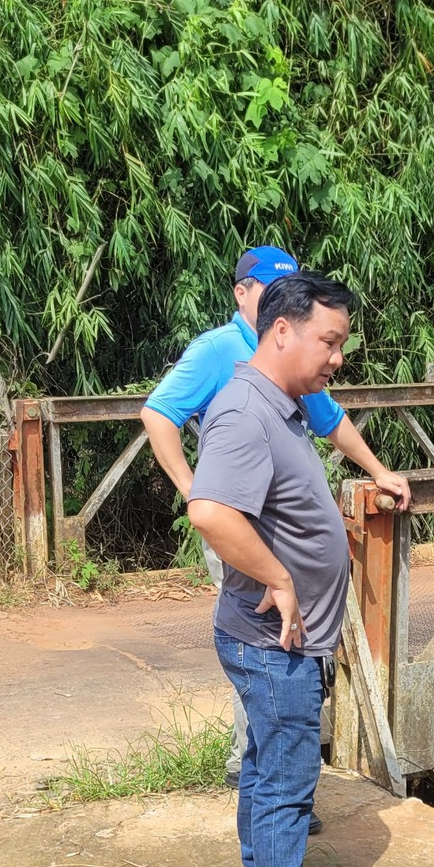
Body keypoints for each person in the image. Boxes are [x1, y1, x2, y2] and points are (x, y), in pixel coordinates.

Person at [140, 246, 410, 830]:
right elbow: (158, 412)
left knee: (284, 654)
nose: (278, 295)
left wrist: (377, 470)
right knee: (263, 647)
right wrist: (194, 488)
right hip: (242, 524)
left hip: (279, 525)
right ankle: (264, 781)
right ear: (243, 293)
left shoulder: (298, 349)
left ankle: (276, 784)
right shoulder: (220, 350)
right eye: (267, 285)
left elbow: (329, 417)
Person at [187, 271, 393, 867]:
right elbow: (210, 512)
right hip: (272, 639)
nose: (337, 357)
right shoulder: (246, 410)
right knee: (285, 781)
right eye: (328, 341)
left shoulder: (284, 403)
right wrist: (279, 578)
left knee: (269, 770)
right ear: (282, 331)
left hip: (279, 639)